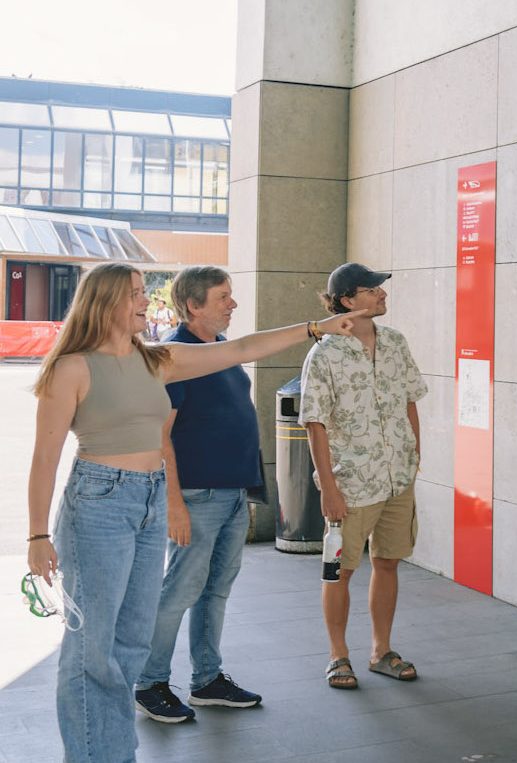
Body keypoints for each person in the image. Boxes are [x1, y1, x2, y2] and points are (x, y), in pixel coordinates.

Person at [26, 262, 362, 763]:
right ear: (106, 302)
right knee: (90, 650)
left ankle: (114, 754)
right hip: (99, 503)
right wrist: (36, 537)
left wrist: (315, 328)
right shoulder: (72, 367)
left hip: (147, 499)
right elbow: (45, 457)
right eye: (137, 293)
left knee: (131, 642)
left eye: (145, 291)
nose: (147, 299)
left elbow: (243, 347)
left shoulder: (158, 360)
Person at [132, 266, 263, 724]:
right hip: (196, 496)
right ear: (194, 305)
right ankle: (149, 683)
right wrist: (174, 505)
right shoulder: (177, 355)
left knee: (216, 590)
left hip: (229, 492)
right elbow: (160, 435)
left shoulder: (219, 352)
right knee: (181, 590)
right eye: (224, 297)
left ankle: (207, 679)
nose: (233, 303)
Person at [300, 263, 426, 690]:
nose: (382, 294)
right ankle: (338, 656)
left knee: (388, 561)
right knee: (340, 569)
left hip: (396, 478)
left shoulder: (395, 343)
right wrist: (328, 488)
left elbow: (410, 399)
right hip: (350, 483)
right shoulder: (324, 354)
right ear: (347, 301)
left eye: (381, 289)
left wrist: (415, 455)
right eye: (372, 290)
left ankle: (381, 650)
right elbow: (314, 422)